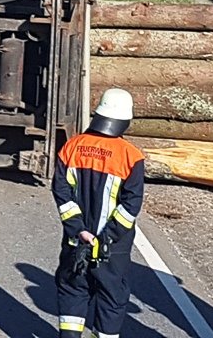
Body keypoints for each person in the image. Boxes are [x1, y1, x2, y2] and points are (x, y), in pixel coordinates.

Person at [51, 88, 144, 338]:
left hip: (75, 241)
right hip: (112, 248)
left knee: (73, 291)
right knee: (111, 299)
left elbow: (61, 191)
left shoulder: (72, 147)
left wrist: (78, 229)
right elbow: (131, 204)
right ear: (125, 120)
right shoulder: (131, 157)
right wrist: (107, 237)